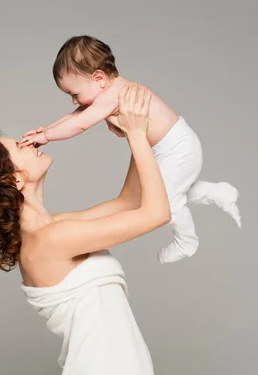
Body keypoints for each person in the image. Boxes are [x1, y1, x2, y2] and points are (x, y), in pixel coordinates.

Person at [0, 84, 164, 375]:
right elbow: (156, 213)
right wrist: (136, 134)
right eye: (19, 145)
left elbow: (129, 202)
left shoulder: (54, 228)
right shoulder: (52, 239)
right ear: (15, 178)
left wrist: (137, 134)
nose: (29, 141)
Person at [19, 35, 241, 263]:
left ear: (99, 78)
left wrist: (47, 136)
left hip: (177, 148)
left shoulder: (115, 94)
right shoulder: (105, 91)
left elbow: (81, 123)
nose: (75, 102)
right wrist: (46, 131)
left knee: (169, 201)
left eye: (75, 94)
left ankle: (187, 241)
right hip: (168, 146)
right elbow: (73, 117)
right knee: (161, 191)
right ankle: (219, 193)